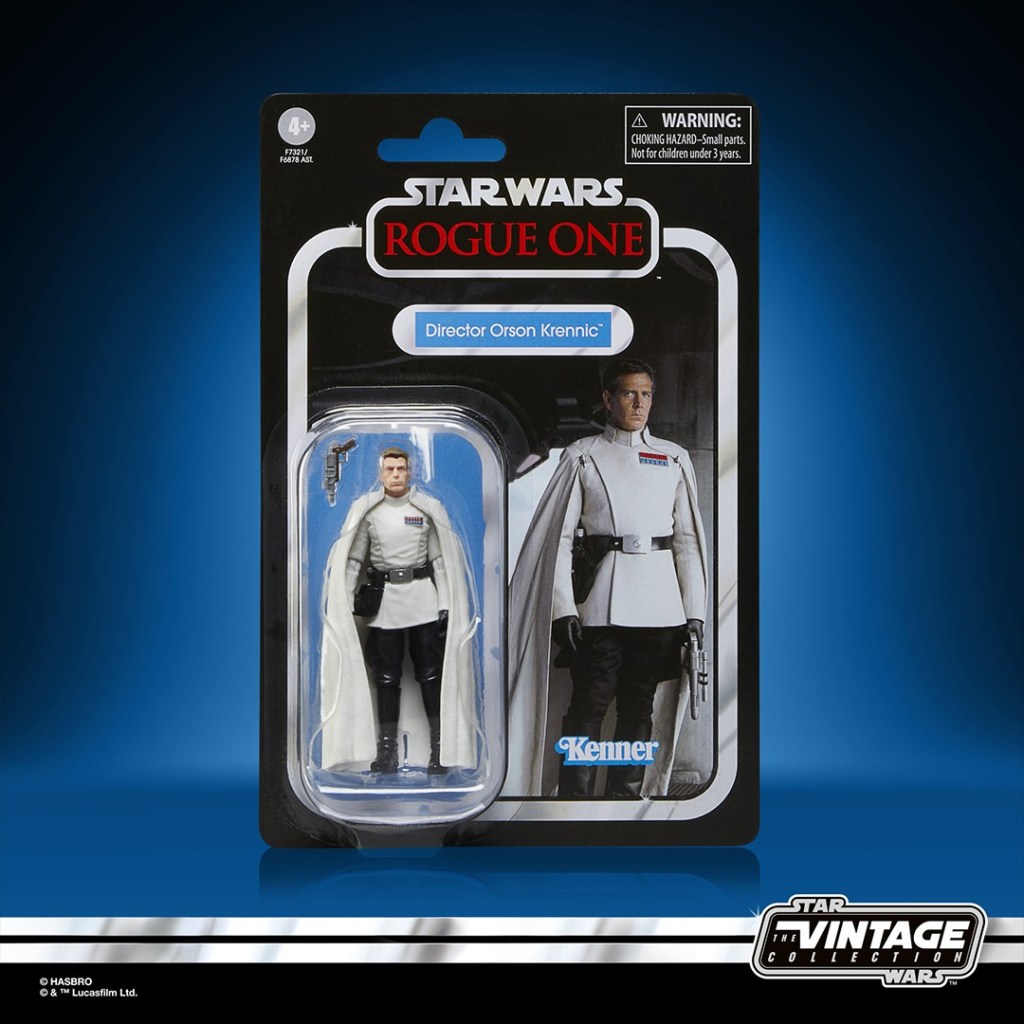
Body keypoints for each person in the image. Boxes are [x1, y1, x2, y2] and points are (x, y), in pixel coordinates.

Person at [506, 358, 708, 799]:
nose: (639, 403)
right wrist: (563, 608)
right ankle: (574, 798)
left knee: (639, 705)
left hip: (660, 605)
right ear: (608, 399)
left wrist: (695, 612)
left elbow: (687, 542)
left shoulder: (674, 457)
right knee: (589, 703)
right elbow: (558, 540)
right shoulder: (582, 455)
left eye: (646, 394)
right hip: (600, 602)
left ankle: (625, 797)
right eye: (629, 393)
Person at [318, 446, 475, 776]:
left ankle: (439, 750)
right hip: (385, 604)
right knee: (386, 677)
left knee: (430, 674)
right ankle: (386, 750)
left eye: (401, 469)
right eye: (389, 469)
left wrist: (446, 604)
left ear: (410, 471)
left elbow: (440, 562)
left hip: (423, 601)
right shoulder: (369, 512)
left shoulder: (426, 509)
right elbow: (353, 560)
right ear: (380, 473)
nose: (395, 475)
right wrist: (344, 599)